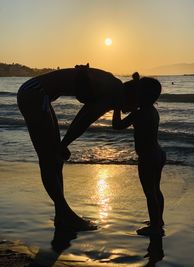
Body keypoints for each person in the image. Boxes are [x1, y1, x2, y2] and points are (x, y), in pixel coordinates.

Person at [17, 64, 129, 232]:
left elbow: (83, 116)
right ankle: (65, 215)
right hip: (34, 93)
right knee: (48, 159)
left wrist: (64, 145)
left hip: (36, 92)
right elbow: (83, 120)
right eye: (137, 105)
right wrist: (64, 144)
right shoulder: (112, 92)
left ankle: (61, 215)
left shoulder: (114, 87)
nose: (133, 111)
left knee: (55, 158)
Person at [112, 76, 166, 236]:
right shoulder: (152, 111)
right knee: (156, 189)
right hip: (158, 154)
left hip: (147, 158)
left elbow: (117, 125)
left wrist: (116, 107)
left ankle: (155, 227)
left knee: (149, 193)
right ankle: (158, 220)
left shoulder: (139, 114)